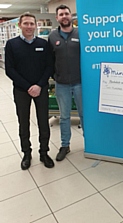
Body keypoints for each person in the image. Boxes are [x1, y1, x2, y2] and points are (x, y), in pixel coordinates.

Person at [5, 12, 54, 170]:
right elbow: (9, 70)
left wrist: (39, 85)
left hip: (41, 89)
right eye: (25, 23)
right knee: (23, 123)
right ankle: (26, 153)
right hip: (21, 90)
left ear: (36, 25)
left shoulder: (43, 44)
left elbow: (49, 66)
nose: (29, 26)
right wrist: (27, 87)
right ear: (19, 25)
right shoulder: (12, 45)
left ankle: (44, 152)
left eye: (31, 23)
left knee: (43, 122)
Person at [48, 4, 83, 161]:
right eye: (61, 14)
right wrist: (54, 75)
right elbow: (49, 59)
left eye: (66, 13)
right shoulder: (52, 36)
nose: (64, 16)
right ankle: (65, 145)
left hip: (80, 82)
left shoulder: (81, 33)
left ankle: (90, 143)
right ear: (57, 18)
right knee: (64, 116)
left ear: (71, 16)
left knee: (84, 115)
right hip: (61, 83)